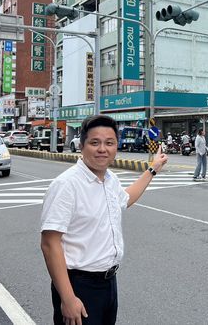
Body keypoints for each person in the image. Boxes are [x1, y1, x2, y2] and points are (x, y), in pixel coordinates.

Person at [40, 115, 168, 325]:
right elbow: (49, 243)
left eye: (109, 143)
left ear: (116, 146)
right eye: (94, 143)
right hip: (79, 285)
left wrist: (153, 169)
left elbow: (125, 199)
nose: (102, 149)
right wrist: (68, 298)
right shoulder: (66, 185)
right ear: (81, 146)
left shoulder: (109, 179)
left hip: (108, 283)